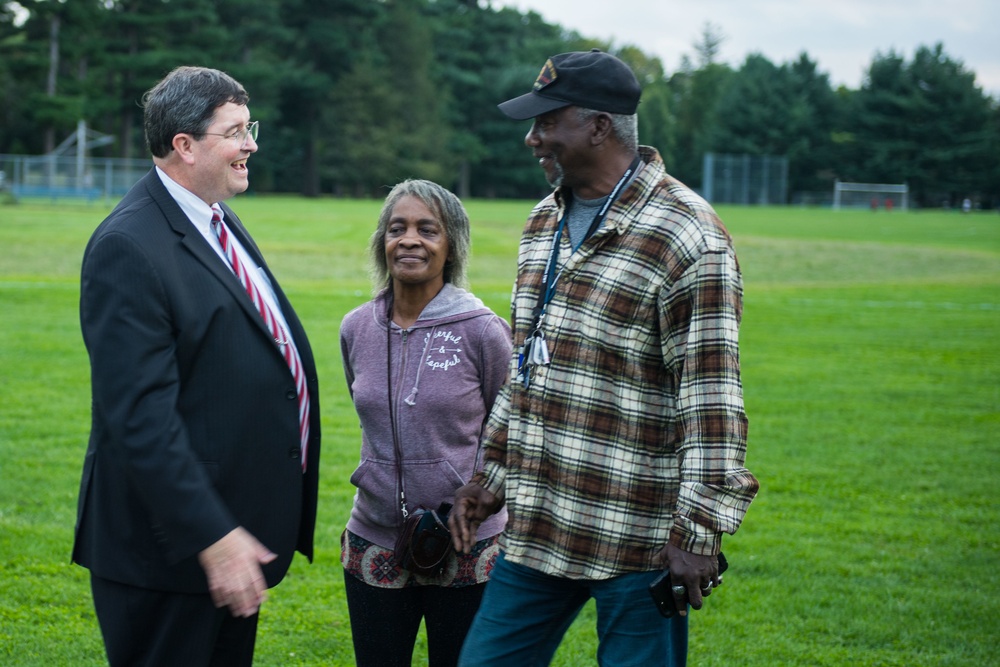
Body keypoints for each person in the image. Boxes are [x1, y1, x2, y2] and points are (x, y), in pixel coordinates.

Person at [448, 50, 759, 666]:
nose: (532, 138)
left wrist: (699, 532)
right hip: (538, 529)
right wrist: (491, 476)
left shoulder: (686, 235)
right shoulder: (544, 222)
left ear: (599, 127)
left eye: (547, 123)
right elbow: (529, 366)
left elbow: (712, 399)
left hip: (636, 538)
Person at [73, 66, 321, 666]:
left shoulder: (212, 216)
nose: (251, 144)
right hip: (173, 557)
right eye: (236, 131)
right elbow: (138, 419)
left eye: (249, 127)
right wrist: (213, 536)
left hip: (229, 544)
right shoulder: (128, 245)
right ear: (184, 145)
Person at [339, 179, 512, 666]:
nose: (410, 240)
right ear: (382, 242)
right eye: (397, 228)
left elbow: (511, 429)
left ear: (450, 244)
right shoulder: (356, 327)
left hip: (466, 542)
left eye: (427, 230)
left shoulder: (483, 331)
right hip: (375, 536)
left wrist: (477, 488)